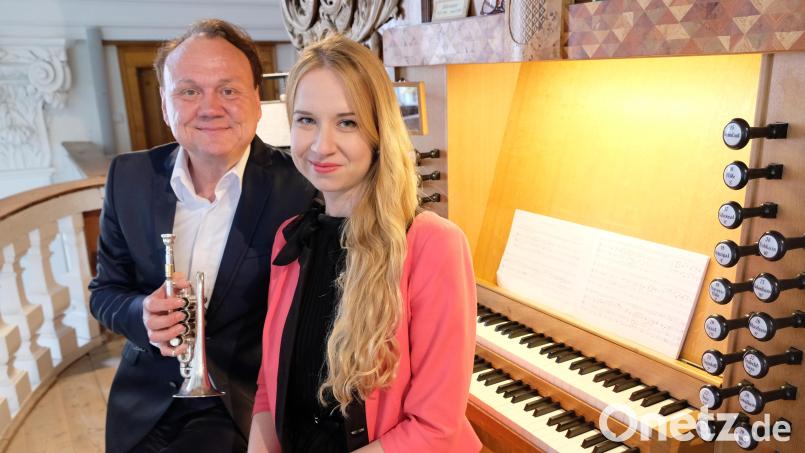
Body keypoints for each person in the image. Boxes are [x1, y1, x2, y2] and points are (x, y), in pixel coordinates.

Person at [89, 19, 315, 452]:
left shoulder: (302, 189)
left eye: (228, 90)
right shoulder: (128, 177)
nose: (209, 107)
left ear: (256, 99)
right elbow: (105, 292)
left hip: (246, 410)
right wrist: (142, 315)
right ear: (164, 104)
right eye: (189, 91)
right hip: (143, 408)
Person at [248, 34, 481, 452]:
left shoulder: (432, 244)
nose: (322, 145)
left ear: (378, 133)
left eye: (347, 122)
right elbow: (271, 383)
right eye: (306, 120)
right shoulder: (291, 237)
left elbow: (435, 426)